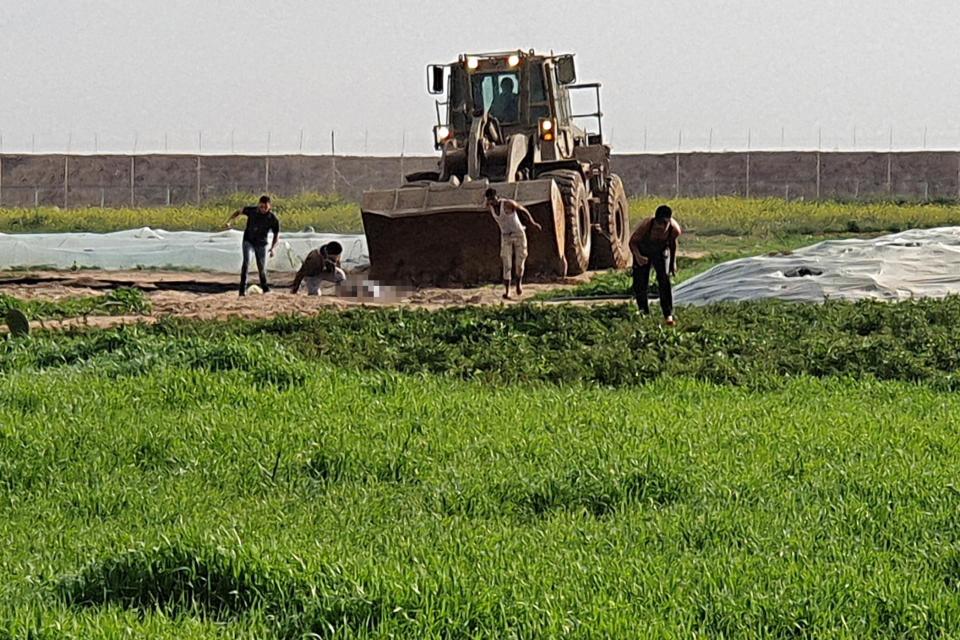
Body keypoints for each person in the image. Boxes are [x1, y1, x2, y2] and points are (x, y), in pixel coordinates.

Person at [628, 204, 682, 326]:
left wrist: (673, 262)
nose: (659, 232)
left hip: (660, 252)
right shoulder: (646, 226)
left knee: (664, 280)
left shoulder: (674, 230)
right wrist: (638, 257)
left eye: (662, 229)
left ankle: (668, 314)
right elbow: (632, 242)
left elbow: (673, 245)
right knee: (640, 283)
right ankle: (643, 312)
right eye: (657, 230)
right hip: (643, 251)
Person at [486, 187, 541, 299]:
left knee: (519, 263)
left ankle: (519, 285)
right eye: (490, 200)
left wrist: (532, 223)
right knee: (507, 262)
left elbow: (522, 210)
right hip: (506, 236)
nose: (492, 202)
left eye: (493, 199)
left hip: (518, 233)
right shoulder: (490, 207)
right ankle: (507, 291)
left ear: (496, 197)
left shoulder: (507, 204)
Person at [225, 195, 280, 296]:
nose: (263, 209)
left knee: (261, 268)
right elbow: (239, 211)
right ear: (258, 205)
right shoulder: (252, 211)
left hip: (262, 244)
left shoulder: (272, 218)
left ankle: (265, 288)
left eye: (265, 208)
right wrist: (230, 221)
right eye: (261, 207)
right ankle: (242, 290)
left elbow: (276, 235)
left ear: (269, 207)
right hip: (249, 241)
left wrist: (273, 248)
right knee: (246, 263)